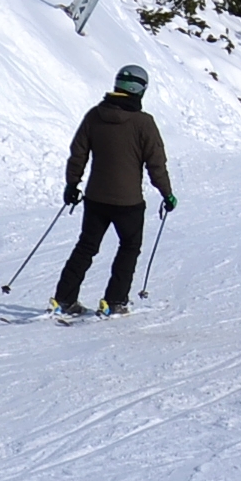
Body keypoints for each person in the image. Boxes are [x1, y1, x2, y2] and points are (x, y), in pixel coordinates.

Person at [54, 62, 175, 314]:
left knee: (86, 246)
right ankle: (115, 301)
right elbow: (156, 163)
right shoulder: (144, 123)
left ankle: (64, 299)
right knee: (129, 247)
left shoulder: (94, 115)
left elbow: (78, 154)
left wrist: (72, 184)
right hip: (129, 202)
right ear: (141, 90)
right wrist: (166, 193)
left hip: (95, 198)